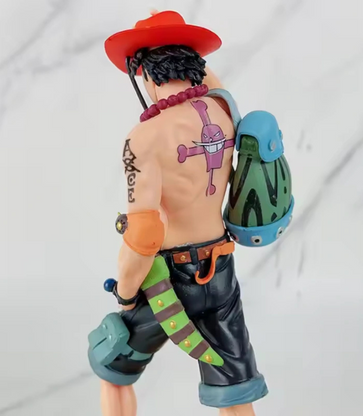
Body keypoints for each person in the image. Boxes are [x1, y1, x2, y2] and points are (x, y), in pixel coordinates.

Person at [89, 10, 268, 416]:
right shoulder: (224, 113)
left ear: (147, 78)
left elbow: (144, 233)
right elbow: (214, 85)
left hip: (166, 283)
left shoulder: (145, 138)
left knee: (110, 361)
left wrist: (127, 292)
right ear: (194, 67)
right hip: (220, 274)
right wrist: (180, 39)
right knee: (236, 390)